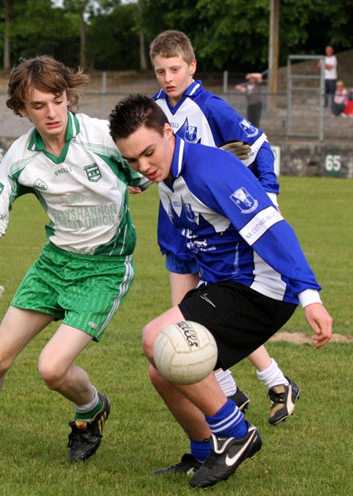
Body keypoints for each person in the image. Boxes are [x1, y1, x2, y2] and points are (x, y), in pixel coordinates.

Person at [0, 56, 149, 460]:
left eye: (57, 100)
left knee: (52, 369)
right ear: (22, 109)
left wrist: (145, 177)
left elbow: (154, 164)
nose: (51, 112)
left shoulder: (101, 137)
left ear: (68, 96)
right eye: (38, 106)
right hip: (53, 264)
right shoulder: (21, 156)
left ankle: (91, 409)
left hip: (104, 270)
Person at [108, 94, 333, 489]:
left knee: (155, 336)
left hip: (261, 290)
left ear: (168, 131)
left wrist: (309, 295)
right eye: (132, 161)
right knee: (162, 366)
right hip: (225, 288)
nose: (143, 166)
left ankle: (236, 433)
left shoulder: (210, 168)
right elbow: (183, 251)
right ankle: (204, 452)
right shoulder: (167, 178)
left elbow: (272, 228)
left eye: (147, 153)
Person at [149, 29, 299, 425]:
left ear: (192, 66)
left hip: (215, 229)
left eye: (175, 68)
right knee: (193, 317)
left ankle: (256, 389)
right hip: (175, 226)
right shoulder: (153, 110)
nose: (168, 77)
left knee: (198, 316)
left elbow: (260, 145)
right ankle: (249, 389)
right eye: (161, 70)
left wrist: (269, 192)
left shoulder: (211, 108)